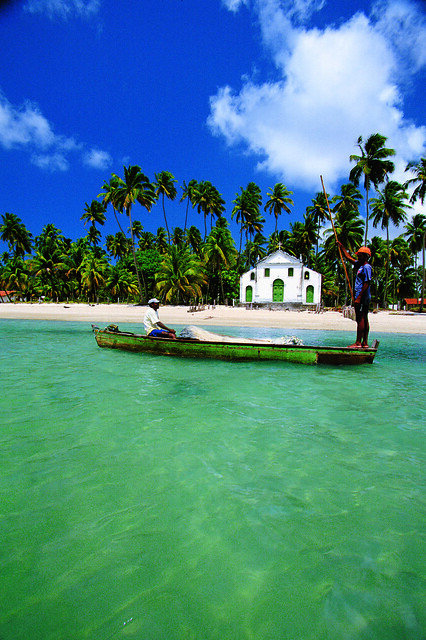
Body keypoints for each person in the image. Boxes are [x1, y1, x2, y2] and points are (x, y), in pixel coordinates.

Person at [338, 244, 372, 348]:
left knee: (360, 318)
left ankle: (358, 343)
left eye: (360, 256)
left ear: (366, 256)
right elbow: (349, 258)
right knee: (364, 318)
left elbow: (367, 283)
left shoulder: (366, 267)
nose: (358, 257)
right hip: (362, 296)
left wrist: (359, 297)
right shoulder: (361, 265)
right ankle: (364, 343)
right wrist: (341, 247)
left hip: (362, 296)